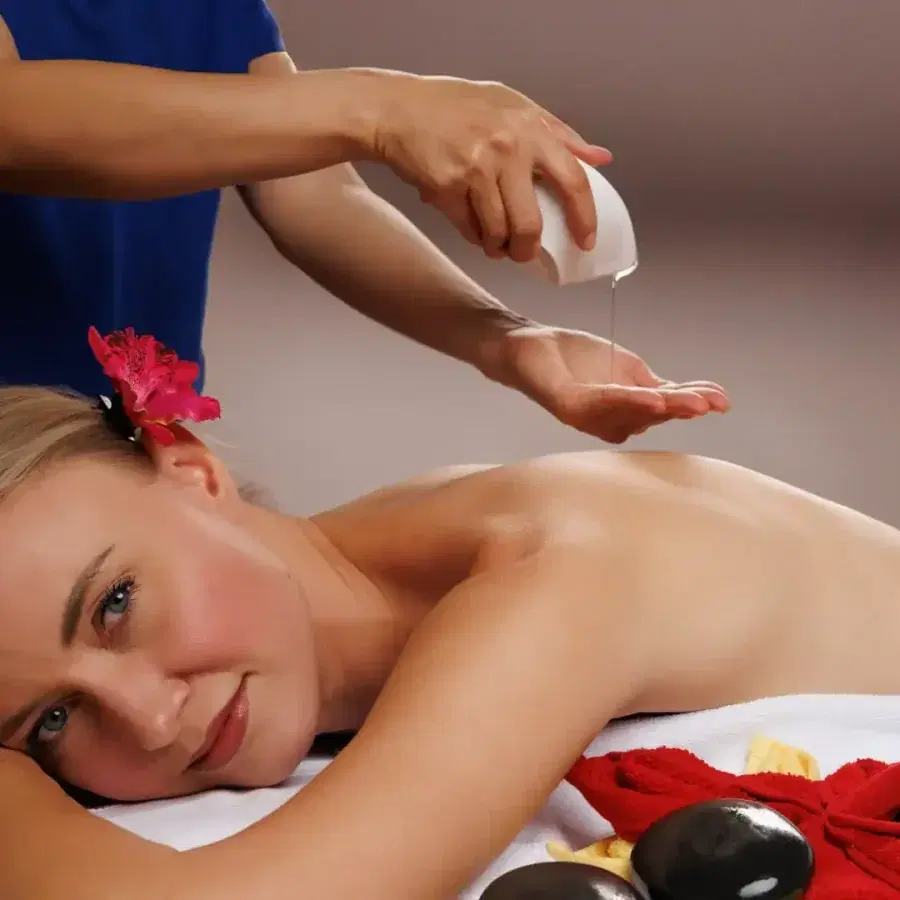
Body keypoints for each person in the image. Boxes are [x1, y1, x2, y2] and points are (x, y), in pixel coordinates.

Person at [0, 331, 896, 900]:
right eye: (51, 721)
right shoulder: (388, 554)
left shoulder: (552, 572)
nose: (150, 720)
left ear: (194, 470)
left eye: (115, 606)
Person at [0, 0, 729, 445]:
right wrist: (380, 108)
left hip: (122, 456)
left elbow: (314, 196)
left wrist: (506, 340)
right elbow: (15, 118)